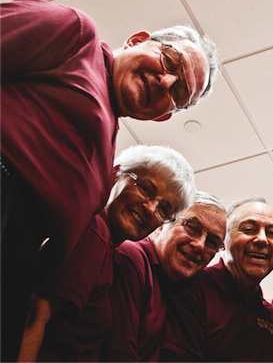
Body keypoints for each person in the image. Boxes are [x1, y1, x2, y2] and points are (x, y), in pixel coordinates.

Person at [0, 0, 218, 359]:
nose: (166, 81)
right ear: (136, 40)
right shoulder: (75, 34)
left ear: (164, 117)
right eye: (170, 61)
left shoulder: (103, 164)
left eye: (179, 93)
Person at [16, 145, 196, 362]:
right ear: (115, 174)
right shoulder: (96, 232)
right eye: (146, 189)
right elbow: (34, 315)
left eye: (164, 209)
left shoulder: (110, 252)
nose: (150, 208)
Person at [101, 192, 227, 361]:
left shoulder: (182, 289)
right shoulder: (133, 258)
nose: (200, 245)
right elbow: (119, 355)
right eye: (192, 227)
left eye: (212, 242)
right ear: (163, 223)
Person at [161, 197, 273, 361]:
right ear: (223, 241)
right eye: (248, 229)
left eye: (272, 233)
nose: (262, 239)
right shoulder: (191, 289)